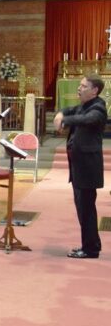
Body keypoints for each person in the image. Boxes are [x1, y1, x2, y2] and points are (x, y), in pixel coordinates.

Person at [54, 74, 106, 259]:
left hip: (87, 168)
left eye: (83, 86)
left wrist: (65, 121)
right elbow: (68, 109)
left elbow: (87, 120)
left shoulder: (98, 108)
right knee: (83, 209)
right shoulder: (84, 106)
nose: (79, 88)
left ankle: (91, 249)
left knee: (87, 210)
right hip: (79, 166)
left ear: (94, 91)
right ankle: (89, 245)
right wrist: (61, 114)